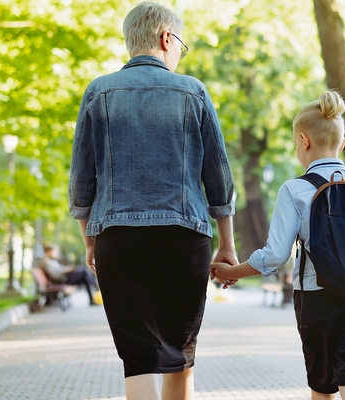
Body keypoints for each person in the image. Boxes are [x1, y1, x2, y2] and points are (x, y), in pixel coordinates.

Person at [68, 2, 237, 399]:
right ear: (166, 37)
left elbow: (80, 183)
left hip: (119, 240)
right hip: (184, 239)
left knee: (140, 358)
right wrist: (227, 247)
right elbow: (219, 179)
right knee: (179, 355)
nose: (180, 52)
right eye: (181, 43)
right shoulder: (193, 91)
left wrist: (90, 240)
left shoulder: (99, 91)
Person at [212, 90, 345, 400]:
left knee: (322, 385)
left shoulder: (296, 189)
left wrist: (232, 271)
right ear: (341, 144)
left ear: (303, 141)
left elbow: (275, 256)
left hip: (317, 299)